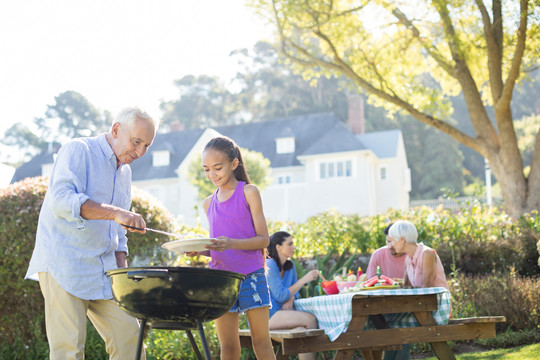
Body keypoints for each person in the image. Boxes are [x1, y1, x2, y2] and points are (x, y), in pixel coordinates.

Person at [25, 107, 158, 360]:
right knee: (69, 352)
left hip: (104, 271)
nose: (140, 152)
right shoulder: (78, 150)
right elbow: (62, 201)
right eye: (136, 142)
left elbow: (120, 234)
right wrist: (115, 213)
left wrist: (123, 278)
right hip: (64, 264)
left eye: (147, 146)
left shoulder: (125, 172)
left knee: (131, 341)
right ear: (116, 129)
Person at [196, 136, 275, 360]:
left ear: (233, 164)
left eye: (217, 168)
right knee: (228, 349)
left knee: (261, 343)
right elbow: (218, 248)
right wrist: (200, 250)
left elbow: (263, 240)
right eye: (206, 169)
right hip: (221, 280)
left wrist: (230, 243)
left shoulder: (249, 192)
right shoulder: (208, 203)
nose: (212, 174)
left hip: (251, 276)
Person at [266, 231, 319, 360]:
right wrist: (304, 280)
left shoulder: (290, 266)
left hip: (283, 314)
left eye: (293, 244)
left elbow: (295, 292)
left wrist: (291, 297)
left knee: (301, 331)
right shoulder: (269, 264)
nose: (293, 247)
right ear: (278, 247)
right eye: (289, 244)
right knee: (311, 320)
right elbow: (280, 296)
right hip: (268, 315)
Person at [367, 223, 409, 360]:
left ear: (403, 240)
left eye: (393, 241)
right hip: (380, 307)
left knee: (402, 327)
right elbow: (370, 285)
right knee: (367, 321)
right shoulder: (378, 255)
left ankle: (392, 339)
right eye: (388, 241)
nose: (390, 245)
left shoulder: (412, 255)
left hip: (406, 305)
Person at [387, 220, 449, 290]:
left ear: (402, 239)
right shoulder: (408, 259)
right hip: (421, 299)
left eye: (393, 241)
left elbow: (427, 289)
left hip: (437, 300)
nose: (391, 245)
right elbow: (408, 288)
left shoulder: (427, 254)